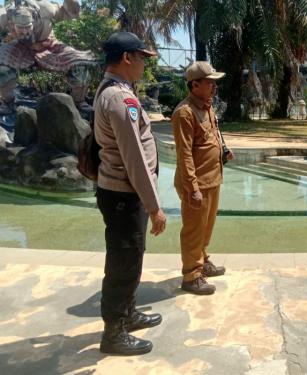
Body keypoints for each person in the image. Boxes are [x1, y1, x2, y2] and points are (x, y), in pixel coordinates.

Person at [94, 31, 167, 355]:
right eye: (141, 58)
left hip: (123, 191)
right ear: (127, 58)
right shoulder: (120, 99)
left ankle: (128, 313)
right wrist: (154, 207)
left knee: (132, 257)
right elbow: (133, 155)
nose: (143, 64)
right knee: (123, 262)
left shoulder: (116, 90)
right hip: (124, 194)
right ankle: (113, 333)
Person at [171, 61, 233, 295]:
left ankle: (202, 259)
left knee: (206, 227)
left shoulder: (207, 107)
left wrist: (224, 151)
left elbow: (213, 136)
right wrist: (192, 187)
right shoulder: (184, 113)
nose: (214, 87)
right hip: (196, 183)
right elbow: (184, 153)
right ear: (195, 85)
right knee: (194, 229)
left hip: (212, 177)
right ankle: (191, 275)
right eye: (210, 82)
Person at [0, 0, 96, 113]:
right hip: (22, 47)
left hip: (49, 46)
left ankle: (79, 101)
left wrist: (71, 2)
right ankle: (8, 102)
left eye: (28, 27)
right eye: (20, 27)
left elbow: (70, 14)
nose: (25, 31)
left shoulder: (45, 8)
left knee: (79, 64)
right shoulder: (4, 15)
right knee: (2, 65)